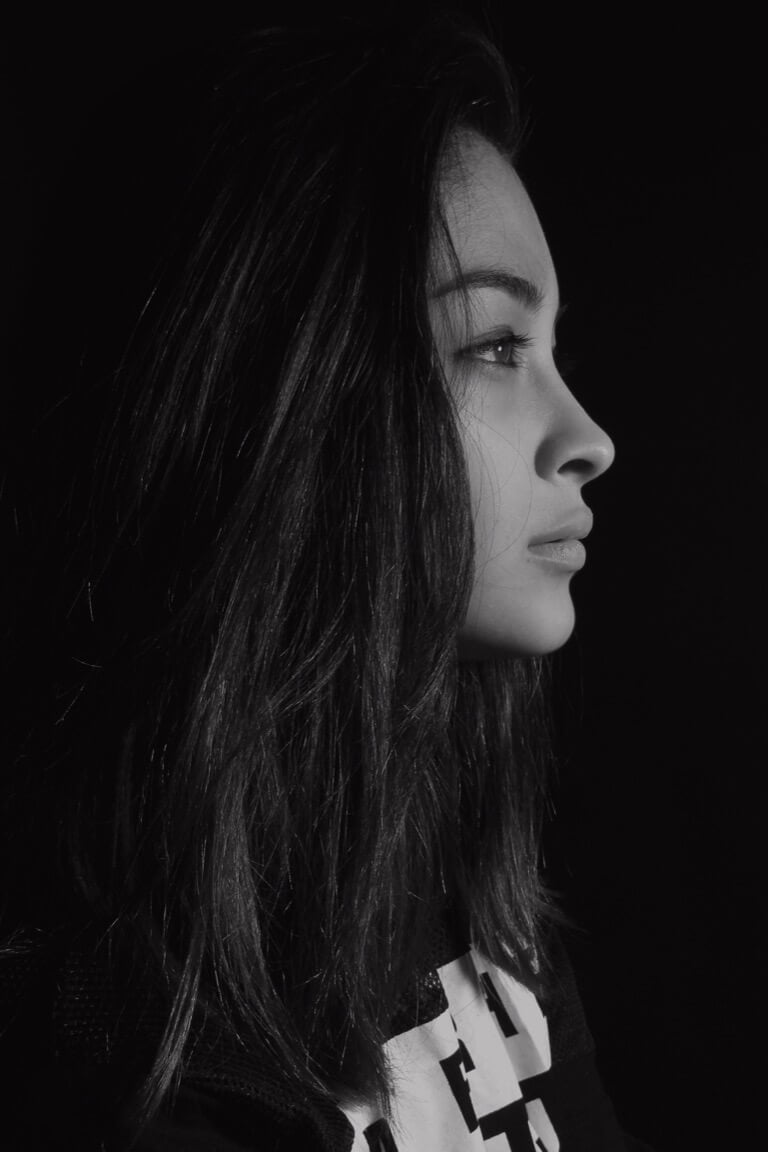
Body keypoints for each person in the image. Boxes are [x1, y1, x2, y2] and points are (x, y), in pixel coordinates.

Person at [0, 10, 654, 1150]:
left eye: (552, 347)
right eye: (497, 345)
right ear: (279, 390)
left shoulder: (456, 868)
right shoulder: (116, 1038)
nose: (589, 439)